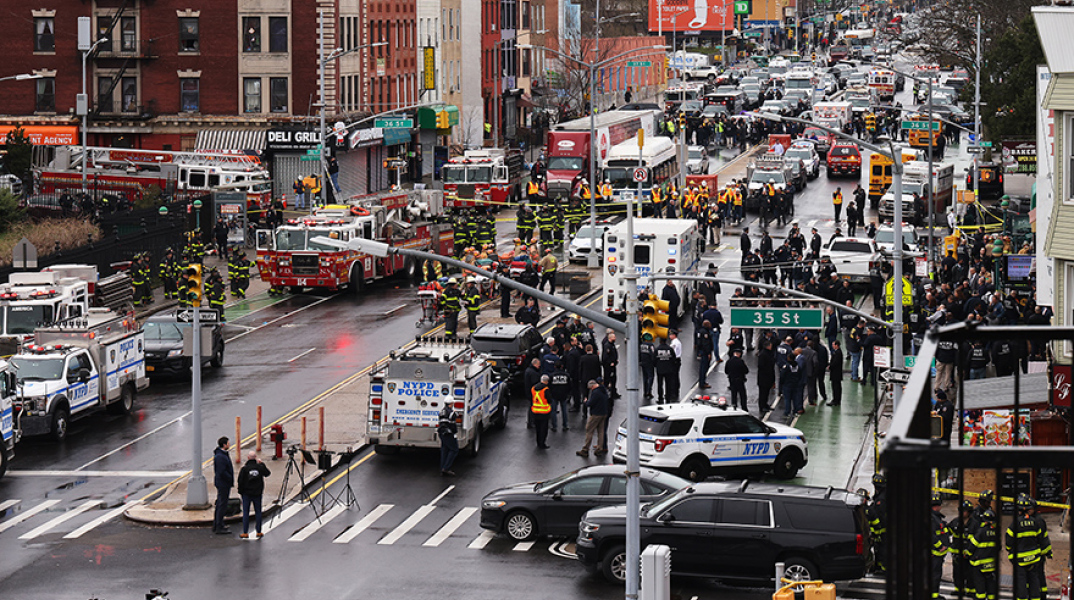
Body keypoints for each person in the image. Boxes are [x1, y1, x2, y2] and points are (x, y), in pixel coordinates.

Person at [1006, 494, 1051, 600]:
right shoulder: (1035, 522)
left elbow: (1009, 541)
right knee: (1034, 580)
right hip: (1035, 558)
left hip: (1021, 560)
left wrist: (1011, 551)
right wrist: (1045, 552)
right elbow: (1042, 538)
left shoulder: (1016, 523)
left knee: (1022, 581)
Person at [236, 450, 271, 539]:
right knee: (258, 512)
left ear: (248, 458)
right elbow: (267, 473)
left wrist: (240, 492)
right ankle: (259, 531)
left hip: (247, 493)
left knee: (246, 512)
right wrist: (262, 464)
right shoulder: (259, 468)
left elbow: (240, 481)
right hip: (257, 493)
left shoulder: (244, 469)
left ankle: (245, 532)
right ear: (255, 458)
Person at [969, 505, 999, 600]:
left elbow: (972, 546)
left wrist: (968, 554)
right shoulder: (996, 532)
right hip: (991, 564)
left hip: (979, 564)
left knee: (980, 585)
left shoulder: (980, 532)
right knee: (991, 585)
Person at [577, 379, 609, 457]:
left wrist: (585, 401)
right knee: (601, 431)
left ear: (592, 386)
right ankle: (599, 449)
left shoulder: (596, 393)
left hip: (596, 414)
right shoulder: (603, 390)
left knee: (589, 430)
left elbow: (590, 403)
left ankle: (585, 449)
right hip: (604, 413)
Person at [930, 493, 952, 600]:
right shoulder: (932, 518)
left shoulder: (936, 517)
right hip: (935, 554)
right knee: (935, 575)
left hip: (937, 554)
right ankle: (933, 596)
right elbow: (931, 535)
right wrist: (940, 547)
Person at [867, 473, 888, 573]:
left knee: (883, 550)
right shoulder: (882, 496)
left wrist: (877, 534)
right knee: (879, 550)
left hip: (883, 531)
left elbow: (880, 518)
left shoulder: (881, 501)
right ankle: (879, 567)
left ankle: (884, 569)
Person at [212, 437, 234, 534]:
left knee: (221, 503)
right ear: (224, 445)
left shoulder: (221, 454)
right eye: (228, 443)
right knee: (222, 504)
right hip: (223, 483)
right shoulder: (221, 457)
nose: (229, 444)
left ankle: (218, 524)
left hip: (222, 482)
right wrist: (229, 478)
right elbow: (221, 471)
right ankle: (219, 526)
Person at [549, 361, 572, 432]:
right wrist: (568, 393)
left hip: (554, 395)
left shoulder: (552, 376)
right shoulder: (566, 375)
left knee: (553, 411)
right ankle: (565, 425)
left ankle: (554, 426)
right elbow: (570, 386)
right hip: (563, 395)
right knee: (564, 410)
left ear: (555, 367)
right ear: (562, 366)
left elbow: (549, 386)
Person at [531, 375, 552, 449]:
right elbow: (549, 399)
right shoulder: (545, 389)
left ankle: (538, 442)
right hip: (544, 412)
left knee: (538, 429)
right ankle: (542, 443)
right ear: (546, 381)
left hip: (535, 411)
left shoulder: (533, 388)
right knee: (543, 429)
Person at [654, 336, 677, 404]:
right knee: (668, 384)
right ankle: (668, 398)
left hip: (660, 370)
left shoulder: (657, 349)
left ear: (660, 341)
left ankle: (660, 398)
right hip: (669, 370)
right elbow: (674, 359)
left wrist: (657, 366)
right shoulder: (670, 349)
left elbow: (654, 360)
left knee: (660, 384)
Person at [437, 406, 459, 476]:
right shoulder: (451, 413)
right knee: (454, 449)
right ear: (451, 403)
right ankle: (446, 468)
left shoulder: (441, 411)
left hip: (441, 433)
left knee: (444, 450)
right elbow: (453, 421)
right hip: (448, 433)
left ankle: (443, 467)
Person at [695, 319, 714, 389]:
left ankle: (702, 381)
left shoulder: (700, 331)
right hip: (705, 352)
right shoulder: (705, 333)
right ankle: (702, 383)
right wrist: (709, 353)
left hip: (701, 351)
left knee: (702, 368)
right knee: (704, 368)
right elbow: (706, 344)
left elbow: (698, 342)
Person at [639, 332, 656, 400]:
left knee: (645, 377)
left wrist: (640, 361)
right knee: (651, 377)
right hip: (649, 363)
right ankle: (649, 391)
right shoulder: (650, 345)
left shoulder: (642, 345)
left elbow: (640, 353)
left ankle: (645, 391)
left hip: (643, 363)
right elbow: (653, 354)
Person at [828, 339, 844, 406]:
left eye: (833, 344)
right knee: (836, 386)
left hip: (836, 373)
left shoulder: (838, 353)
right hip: (836, 373)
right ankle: (836, 400)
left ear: (837, 345)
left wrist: (830, 366)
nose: (832, 346)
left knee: (836, 387)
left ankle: (836, 400)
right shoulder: (837, 352)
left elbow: (835, 362)